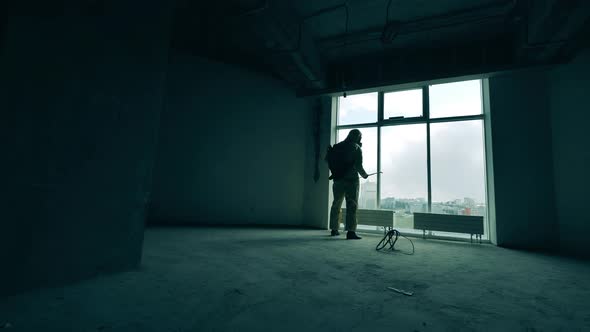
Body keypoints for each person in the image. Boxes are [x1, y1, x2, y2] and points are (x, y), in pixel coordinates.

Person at [326, 129, 369, 240]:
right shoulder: (356, 147)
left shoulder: (337, 146)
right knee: (352, 205)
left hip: (338, 179)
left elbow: (328, 161)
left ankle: (334, 229)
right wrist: (364, 175)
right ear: (358, 137)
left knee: (336, 204)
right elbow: (359, 166)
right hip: (351, 180)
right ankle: (350, 232)